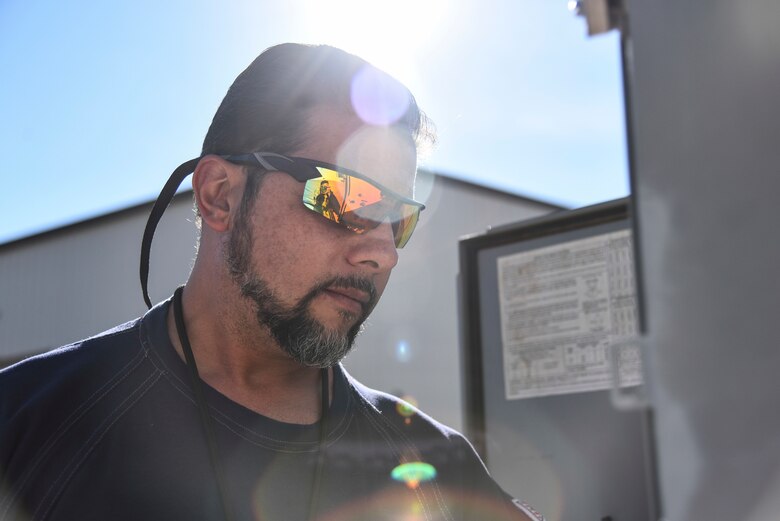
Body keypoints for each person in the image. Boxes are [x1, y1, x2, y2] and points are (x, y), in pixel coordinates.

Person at [0, 44, 543, 521]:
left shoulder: (439, 473)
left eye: (399, 220)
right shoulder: (27, 422)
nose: (383, 254)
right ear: (219, 196)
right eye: (347, 199)